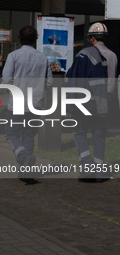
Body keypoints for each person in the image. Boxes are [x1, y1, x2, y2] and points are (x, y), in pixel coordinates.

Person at [65, 22, 117, 182]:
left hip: (87, 100)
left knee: (79, 132)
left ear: (92, 38)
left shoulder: (85, 54)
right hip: (106, 101)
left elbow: (75, 78)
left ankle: (87, 166)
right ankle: (100, 172)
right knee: (99, 135)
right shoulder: (113, 56)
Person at [2, 25, 53, 184]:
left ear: (20, 38)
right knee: (29, 135)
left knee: (11, 134)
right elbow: (50, 83)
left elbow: (6, 80)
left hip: (17, 102)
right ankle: (25, 172)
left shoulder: (13, 56)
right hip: (36, 103)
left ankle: (23, 157)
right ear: (35, 40)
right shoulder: (43, 58)